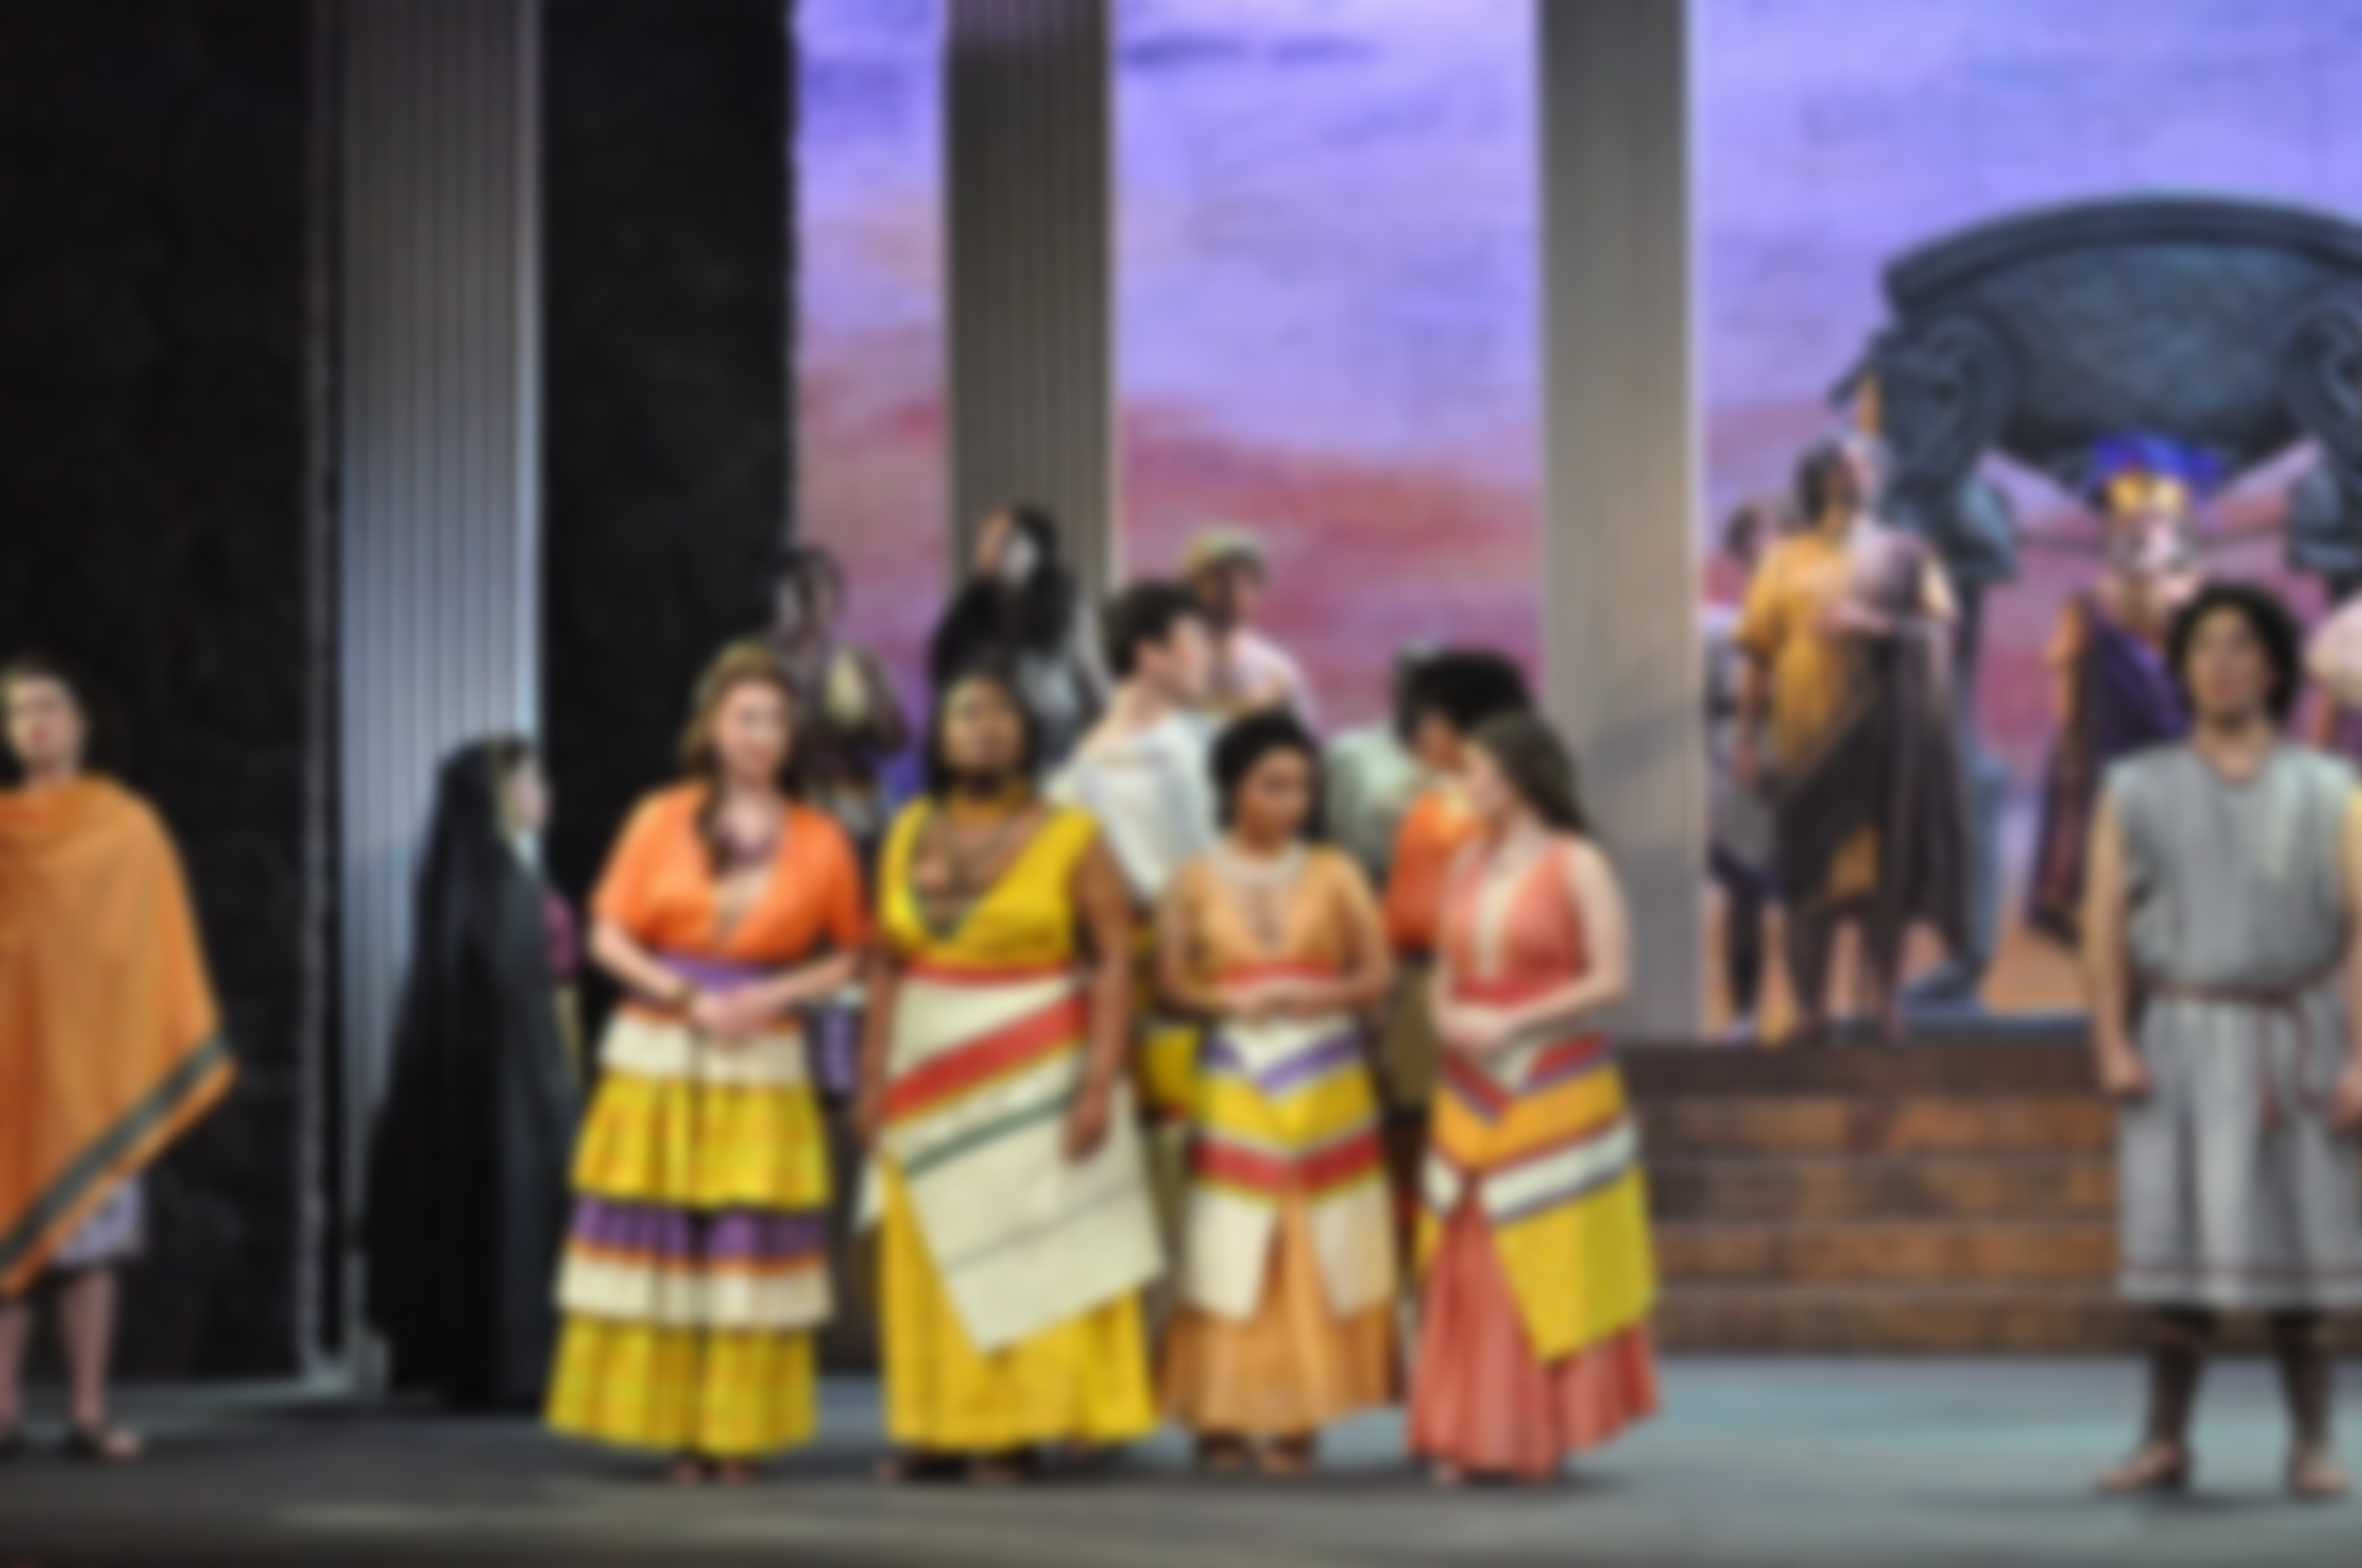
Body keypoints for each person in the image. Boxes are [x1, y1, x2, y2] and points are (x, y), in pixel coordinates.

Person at [545, 641, 868, 1484]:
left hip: (763, 1054)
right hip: (661, 1048)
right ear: (713, 727)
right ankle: (680, 1433)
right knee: (665, 1240)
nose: (761, 735)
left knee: (747, 1242)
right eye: (746, 718)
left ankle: (739, 1434)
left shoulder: (821, 839)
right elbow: (608, 933)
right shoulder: (660, 817)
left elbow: (852, 952)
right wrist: (687, 998)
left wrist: (769, 995)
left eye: (776, 721)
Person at [2083, 582, 2362, 1502]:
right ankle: (2164, 1441)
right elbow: (2103, 928)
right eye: (2202, 646)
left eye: (2239, 644)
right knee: (2178, 1251)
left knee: (2303, 1251)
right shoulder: (2135, 787)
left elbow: (2360, 932)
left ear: (2275, 666)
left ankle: (2313, 1444)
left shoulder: (2331, 789)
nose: (2220, 662)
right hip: (2179, 1038)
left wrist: (2361, 1058)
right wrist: (2111, 1042)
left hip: (2296, 1040)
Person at [858, 661, 1162, 1484]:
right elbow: (885, 962)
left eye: (1000, 713)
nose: (984, 726)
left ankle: (1012, 1431)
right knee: (932, 1253)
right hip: (924, 1074)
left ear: (1030, 734)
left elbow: (1115, 965)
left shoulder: (1073, 835)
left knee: (1023, 1257)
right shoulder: (906, 828)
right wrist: (870, 1081)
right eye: (966, 712)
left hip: (1039, 1073)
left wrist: (1099, 1086)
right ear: (940, 733)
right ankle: (935, 1430)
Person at [1408, 713, 1659, 1484]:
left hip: (1553, 1075)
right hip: (1470, 1075)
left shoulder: (1578, 862)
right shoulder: (1465, 863)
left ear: (1517, 778)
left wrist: (1513, 1020)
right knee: (1466, 1247)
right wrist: (1444, 1017)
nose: (1463, 784)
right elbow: (1443, 972)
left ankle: (1528, 1435)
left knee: (1536, 1242)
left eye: (1476, 770)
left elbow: (1611, 981)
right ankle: (1461, 1432)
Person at [0, 656, 234, 1462]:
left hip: (93, 1069)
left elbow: (148, 948)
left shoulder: (124, 827)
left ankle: (88, 1413)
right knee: (10, 1241)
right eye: (18, 710)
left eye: (48, 705)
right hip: (11, 1064)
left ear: (80, 721)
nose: (34, 722)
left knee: (90, 1250)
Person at [1155, 712, 1398, 1477]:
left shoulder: (1335, 870)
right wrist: (1227, 1001)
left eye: (1302, 787)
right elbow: (1170, 985)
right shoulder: (1192, 878)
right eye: (1273, 785)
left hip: (1325, 1072)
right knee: (1230, 1236)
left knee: (1310, 1237)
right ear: (1233, 787)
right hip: (1235, 1070)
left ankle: (1299, 1414)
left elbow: (1377, 974)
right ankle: (1218, 1409)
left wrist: (1317, 995)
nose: (1293, 802)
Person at [363, 737, 580, 1410]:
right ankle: (511, 1361)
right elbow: (523, 1002)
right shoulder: (499, 887)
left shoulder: (474, 881)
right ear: (499, 795)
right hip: (515, 1088)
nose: (543, 793)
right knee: (511, 1205)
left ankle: (486, 1359)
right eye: (531, 780)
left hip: (500, 1084)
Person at [1735, 435, 1969, 1042]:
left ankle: (1887, 1004)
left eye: (1863, 466)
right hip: (1805, 735)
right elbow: (1758, 655)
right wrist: (1745, 739)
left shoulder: (1907, 555)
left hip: (1885, 736)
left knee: (1879, 874)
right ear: (1817, 483)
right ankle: (1811, 1011)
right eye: (1838, 468)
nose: (1850, 476)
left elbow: (1941, 633)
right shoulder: (1782, 559)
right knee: (1808, 873)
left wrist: (1874, 623)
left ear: (1880, 479)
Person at [1052, 582, 1221, 1128]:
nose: (1210, 653)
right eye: (1197, 639)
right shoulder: (1073, 784)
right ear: (1150, 654)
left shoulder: (1218, 747)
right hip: (1140, 986)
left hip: (1234, 967)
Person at [2026, 435, 2205, 946]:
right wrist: (2067, 740)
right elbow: (2067, 674)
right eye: (2132, 523)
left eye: (2155, 523)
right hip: (2109, 745)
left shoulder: (2200, 600)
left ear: (2177, 531)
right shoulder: (2090, 605)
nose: (2143, 531)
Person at [1379, 651, 1532, 1111]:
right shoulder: (1423, 806)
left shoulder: (1522, 811)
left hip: (1494, 989)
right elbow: (1397, 915)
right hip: (1420, 984)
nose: (1420, 732)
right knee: (1417, 1120)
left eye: (1430, 719)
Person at [928, 504, 1105, 766]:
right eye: (984, 540)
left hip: (1054, 745)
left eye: (1004, 541)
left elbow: (1098, 694)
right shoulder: (967, 614)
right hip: (983, 748)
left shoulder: (1069, 612)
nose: (989, 550)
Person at [1703, 499, 1788, 1039]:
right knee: (1744, 891)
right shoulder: (1719, 627)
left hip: (1803, 756)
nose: (1767, 541)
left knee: (1809, 898)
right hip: (1737, 761)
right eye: (1756, 532)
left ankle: (1809, 1012)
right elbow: (1704, 703)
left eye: (1777, 529)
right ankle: (1744, 1014)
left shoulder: (1812, 618)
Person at [769, 542, 911, 862]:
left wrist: (871, 709)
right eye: (798, 585)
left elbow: (896, 740)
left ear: (835, 597)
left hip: (852, 814)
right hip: (778, 813)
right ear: (776, 596)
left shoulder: (861, 661)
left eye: (821, 584)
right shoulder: (754, 662)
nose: (810, 595)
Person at [1183, 526, 1319, 727]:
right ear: (1192, 588)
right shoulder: (1169, 663)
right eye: (1221, 579)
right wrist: (1257, 704)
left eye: (1245, 580)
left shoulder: (1275, 668)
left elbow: (1303, 736)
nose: (1233, 590)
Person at [1324, 644, 1431, 887]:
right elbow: (1331, 839)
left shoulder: (1464, 762)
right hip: (1365, 889)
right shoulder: (1352, 755)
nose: (1423, 698)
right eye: (1414, 685)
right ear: (1394, 686)